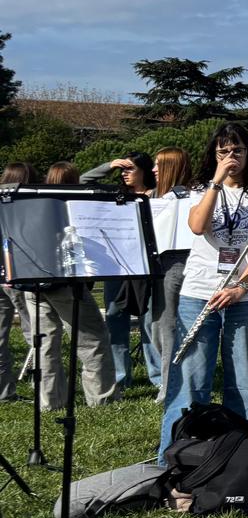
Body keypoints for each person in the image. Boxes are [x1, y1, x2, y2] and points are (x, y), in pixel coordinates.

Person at [159, 123, 248, 458]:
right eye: (223, 151)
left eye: (237, 150)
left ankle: (239, 455)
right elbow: (197, 226)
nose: (231, 157)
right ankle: (175, 454)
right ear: (213, 155)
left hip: (246, 296)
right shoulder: (201, 188)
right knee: (191, 377)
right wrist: (216, 181)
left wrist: (241, 287)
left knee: (242, 380)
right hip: (200, 291)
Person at [24, 162, 119, 412]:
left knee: (44, 343)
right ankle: (102, 399)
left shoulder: (32, 204)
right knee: (91, 339)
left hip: (33, 280)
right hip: (64, 282)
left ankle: (49, 401)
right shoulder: (71, 206)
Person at [95, 153, 158, 390]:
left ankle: (158, 378)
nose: (124, 173)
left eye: (129, 168)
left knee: (150, 323)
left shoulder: (158, 195)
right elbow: (83, 182)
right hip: (117, 267)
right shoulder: (116, 195)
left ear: (144, 170)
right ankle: (121, 378)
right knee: (115, 320)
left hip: (147, 268)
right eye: (122, 169)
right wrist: (109, 165)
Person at [146, 147, 196, 398]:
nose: (153, 169)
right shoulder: (156, 196)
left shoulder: (188, 197)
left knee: (168, 328)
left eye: (158, 165)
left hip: (177, 265)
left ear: (171, 167)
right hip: (159, 266)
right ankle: (172, 381)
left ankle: (169, 388)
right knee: (157, 327)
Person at [0, 161, 36, 400]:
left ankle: (4, 391)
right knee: (35, 331)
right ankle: (40, 384)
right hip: (18, 275)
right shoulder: (26, 204)